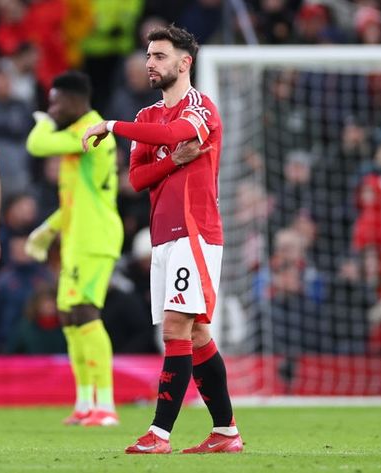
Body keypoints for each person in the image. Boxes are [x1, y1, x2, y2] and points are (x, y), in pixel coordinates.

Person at [82, 25, 243, 454]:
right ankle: (226, 432)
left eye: (159, 56)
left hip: (195, 230)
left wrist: (112, 125)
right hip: (163, 236)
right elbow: (136, 179)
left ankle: (160, 434)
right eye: (149, 56)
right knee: (197, 336)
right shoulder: (145, 117)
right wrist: (172, 161)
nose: (149, 63)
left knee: (176, 328)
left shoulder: (201, 109)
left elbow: (176, 134)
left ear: (183, 62)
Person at [23, 71, 124, 427]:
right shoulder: (77, 134)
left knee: (84, 312)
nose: (53, 107)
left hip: (96, 237)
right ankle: (85, 402)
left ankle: (106, 405)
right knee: (68, 317)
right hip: (77, 237)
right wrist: (46, 231)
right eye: (50, 102)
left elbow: (36, 145)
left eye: (57, 101)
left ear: (77, 102)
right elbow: (73, 202)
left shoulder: (90, 130)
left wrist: (44, 120)